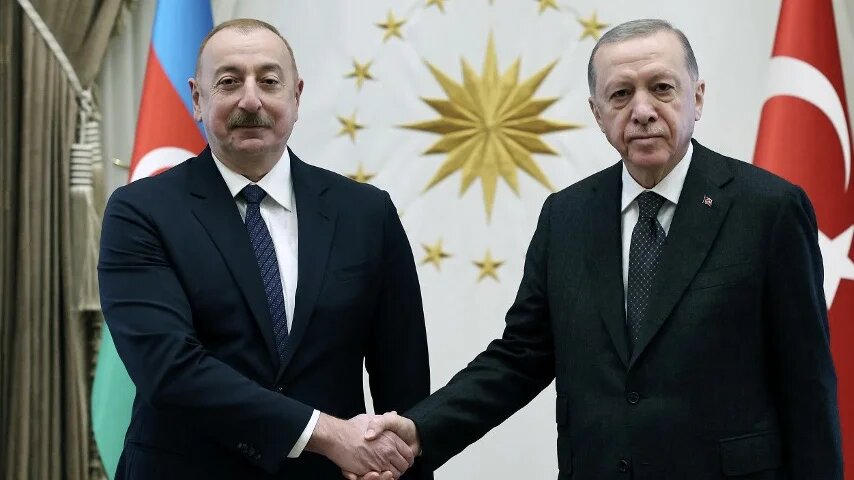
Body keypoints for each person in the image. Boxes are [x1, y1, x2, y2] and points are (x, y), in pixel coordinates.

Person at [356, 19, 843, 480]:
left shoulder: (769, 209)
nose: (643, 109)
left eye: (662, 88)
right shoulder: (566, 217)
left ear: (697, 97)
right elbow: (519, 357)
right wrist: (421, 429)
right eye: (621, 94)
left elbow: (807, 384)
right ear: (597, 112)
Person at [99, 18, 431, 479]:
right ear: (197, 99)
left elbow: (404, 383)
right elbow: (169, 369)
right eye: (229, 82)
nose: (250, 100)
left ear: (296, 96)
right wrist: (328, 434)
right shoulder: (141, 211)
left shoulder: (366, 213)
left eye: (269, 82)